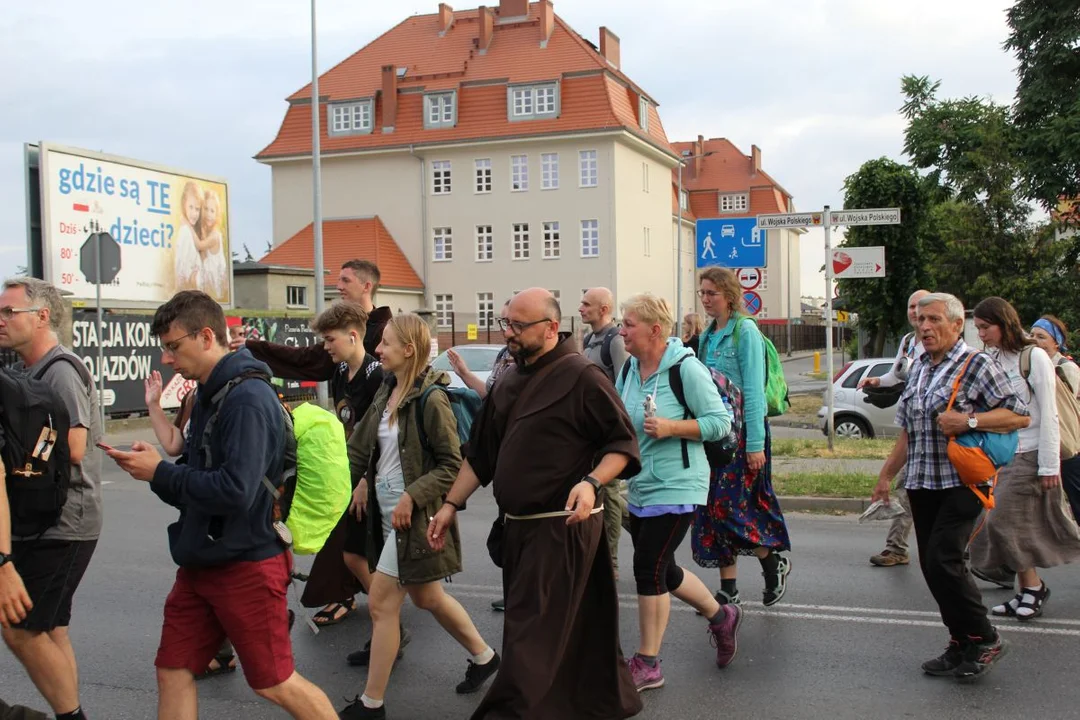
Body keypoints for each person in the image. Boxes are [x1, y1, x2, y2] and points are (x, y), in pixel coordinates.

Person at [106, 290, 338, 719]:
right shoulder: (210, 394)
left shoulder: (247, 399)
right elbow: (195, 482)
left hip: (245, 564)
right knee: (173, 670)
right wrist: (152, 470)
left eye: (173, 346)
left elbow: (235, 491)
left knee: (275, 683)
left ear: (207, 335)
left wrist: (160, 472)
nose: (167, 359)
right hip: (202, 561)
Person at [429, 288, 644, 720]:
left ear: (550, 328)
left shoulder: (584, 376)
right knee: (567, 636)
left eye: (518, 326)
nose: (508, 333)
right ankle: (591, 705)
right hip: (521, 533)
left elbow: (622, 445)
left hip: (563, 530)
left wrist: (590, 481)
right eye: (506, 323)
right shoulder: (508, 379)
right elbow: (482, 455)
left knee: (531, 643)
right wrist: (451, 504)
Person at [337, 314, 498, 719]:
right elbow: (358, 452)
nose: (378, 349)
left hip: (416, 520)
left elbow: (451, 464)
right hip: (387, 515)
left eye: (386, 343)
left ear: (408, 349)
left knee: (380, 604)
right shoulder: (386, 391)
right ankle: (484, 657)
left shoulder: (431, 397)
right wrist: (324, 491)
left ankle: (371, 704)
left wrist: (412, 495)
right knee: (428, 597)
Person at [871, 292, 1029, 682]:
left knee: (945, 559)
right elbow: (909, 430)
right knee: (931, 565)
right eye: (921, 320)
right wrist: (886, 475)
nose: (924, 326)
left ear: (959, 326)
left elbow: (1018, 416)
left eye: (934, 319)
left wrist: (969, 422)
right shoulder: (921, 367)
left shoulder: (976, 364)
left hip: (962, 482)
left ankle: (986, 638)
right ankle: (961, 641)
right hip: (922, 482)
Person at [232, 259, 391, 627]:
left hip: (374, 466)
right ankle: (377, 610)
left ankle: (383, 612)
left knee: (360, 541)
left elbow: (383, 424)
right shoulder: (337, 364)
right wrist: (254, 348)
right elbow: (306, 361)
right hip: (346, 462)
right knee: (350, 542)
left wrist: (367, 477)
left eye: (345, 279)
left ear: (367, 286)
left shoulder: (380, 352)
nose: (338, 284)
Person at [614, 293, 739, 692]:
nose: (622, 330)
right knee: (663, 569)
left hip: (679, 483)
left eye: (628, 323)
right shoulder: (631, 368)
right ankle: (722, 617)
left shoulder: (685, 368)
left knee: (647, 569)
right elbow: (619, 417)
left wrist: (672, 428)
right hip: (641, 484)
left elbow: (720, 423)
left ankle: (648, 663)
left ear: (654, 329)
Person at [0, 278, 102, 720]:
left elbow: (74, 447)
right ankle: (70, 712)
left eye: (9, 312)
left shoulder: (60, 370)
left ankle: (70, 716)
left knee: (20, 628)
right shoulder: (32, 370)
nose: (1, 320)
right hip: (51, 519)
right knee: (51, 627)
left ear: (42, 316)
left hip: (63, 521)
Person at [967, 298, 1080, 618]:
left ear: (1004, 324)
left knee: (1001, 521)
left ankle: (1033, 588)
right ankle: (1027, 589)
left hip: (1030, 454)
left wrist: (1048, 465)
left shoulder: (1034, 358)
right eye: (978, 329)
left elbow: (1050, 414)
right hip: (1001, 455)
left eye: (986, 328)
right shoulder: (993, 359)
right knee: (1016, 524)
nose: (982, 334)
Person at [307, 303, 402, 667]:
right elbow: (344, 425)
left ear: (353, 335)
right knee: (357, 554)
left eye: (330, 340)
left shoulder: (378, 377)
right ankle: (388, 628)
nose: (326, 347)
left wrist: (364, 480)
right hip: (351, 473)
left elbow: (382, 436)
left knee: (362, 555)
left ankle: (389, 628)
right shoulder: (339, 374)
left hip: (375, 478)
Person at [690, 268, 792, 607]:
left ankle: (770, 560)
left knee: (733, 510)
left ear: (730, 297)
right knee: (711, 511)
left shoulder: (745, 332)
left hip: (744, 435)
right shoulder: (707, 335)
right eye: (703, 293)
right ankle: (728, 588)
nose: (705, 299)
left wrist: (755, 445)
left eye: (712, 294)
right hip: (716, 434)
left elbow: (754, 392)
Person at [861, 289, 931, 567]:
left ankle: (976, 549)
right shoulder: (907, 341)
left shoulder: (937, 342)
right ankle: (897, 547)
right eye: (912, 306)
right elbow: (897, 374)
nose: (915, 312)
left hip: (933, 430)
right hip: (912, 426)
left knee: (912, 489)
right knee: (907, 488)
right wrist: (877, 382)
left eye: (921, 308)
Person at [579, 287, 630, 578]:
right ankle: (642, 526)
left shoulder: (615, 340)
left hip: (609, 427)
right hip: (591, 428)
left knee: (608, 490)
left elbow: (624, 384)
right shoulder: (588, 339)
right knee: (603, 489)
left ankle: (610, 561)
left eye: (587, 304)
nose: (581, 308)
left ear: (604, 308)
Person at [1030, 314, 1080, 520]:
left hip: (1067, 443)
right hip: (1041, 442)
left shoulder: (1066, 368)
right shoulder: (1029, 364)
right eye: (1032, 335)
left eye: (1041, 336)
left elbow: (1070, 407)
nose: (1035, 340)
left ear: (1056, 342)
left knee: (1075, 495)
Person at [447, 301, 513, 399]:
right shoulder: (504, 354)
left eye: (512, 323)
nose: (505, 331)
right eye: (503, 323)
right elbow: (489, 395)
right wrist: (464, 373)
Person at [196, 190, 227, 299]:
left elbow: (199, 245)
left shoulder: (215, 235)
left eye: (212, 211)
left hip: (214, 288)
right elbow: (203, 258)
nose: (208, 214)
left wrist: (188, 227)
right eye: (205, 209)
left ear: (217, 214)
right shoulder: (205, 233)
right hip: (207, 285)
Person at [174, 181, 204, 291]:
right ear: (184, 205)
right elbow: (181, 267)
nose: (194, 213)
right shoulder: (185, 232)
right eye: (190, 207)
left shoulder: (191, 231)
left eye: (197, 209)